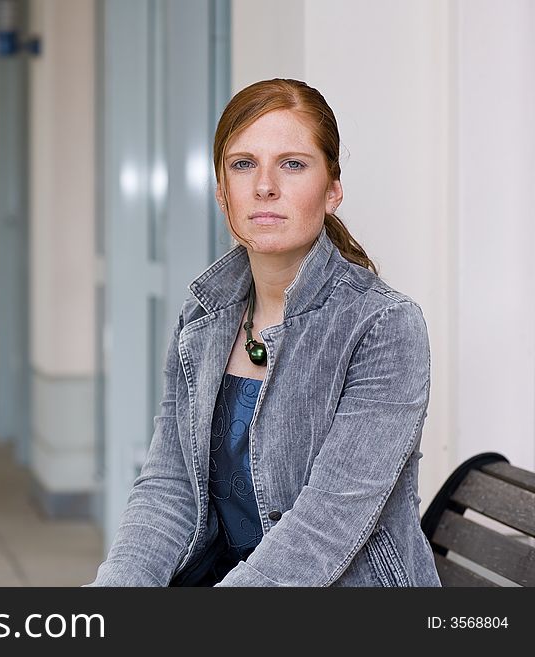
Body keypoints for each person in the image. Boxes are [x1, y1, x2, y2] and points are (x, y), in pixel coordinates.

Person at [88, 78, 441, 587]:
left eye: (293, 164)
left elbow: (324, 529)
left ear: (333, 189)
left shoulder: (383, 326)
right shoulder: (204, 317)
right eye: (243, 164)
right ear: (221, 192)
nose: (264, 186)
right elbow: (171, 488)